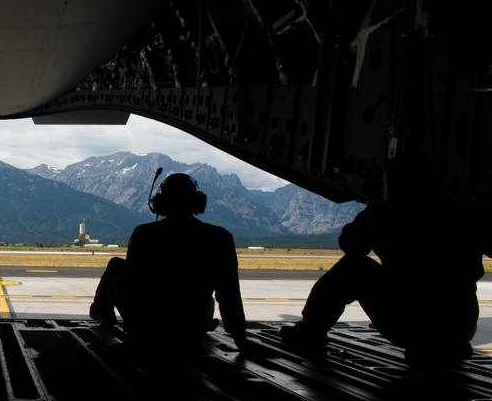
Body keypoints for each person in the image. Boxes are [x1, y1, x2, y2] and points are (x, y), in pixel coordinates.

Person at [281, 155, 492, 365]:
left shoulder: (385, 213)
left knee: (354, 268)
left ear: (390, 185)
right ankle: (445, 346)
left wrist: (373, 207)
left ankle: (311, 330)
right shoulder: (465, 213)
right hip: (461, 326)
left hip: (413, 322)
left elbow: (351, 245)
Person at [90, 172, 247, 351]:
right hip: (192, 327)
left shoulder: (144, 234)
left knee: (116, 265)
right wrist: (243, 344)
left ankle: (101, 312)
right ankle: (203, 322)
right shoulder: (220, 237)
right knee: (207, 295)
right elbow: (229, 294)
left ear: (159, 204)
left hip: (150, 328)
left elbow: (132, 287)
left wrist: (135, 336)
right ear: (198, 203)